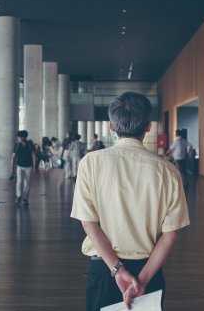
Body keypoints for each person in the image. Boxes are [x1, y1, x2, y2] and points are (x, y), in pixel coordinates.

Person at [71, 92, 190, 310]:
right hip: (149, 269)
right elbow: (171, 234)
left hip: (104, 268)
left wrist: (118, 270)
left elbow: (88, 223)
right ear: (148, 126)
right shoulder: (168, 171)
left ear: (111, 127)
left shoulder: (91, 163)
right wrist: (142, 279)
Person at [10, 130, 35, 206]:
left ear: (25, 137)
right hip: (19, 166)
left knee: (27, 183)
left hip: (28, 166)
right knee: (19, 182)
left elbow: (33, 155)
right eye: (19, 137)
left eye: (22, 137)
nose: (20, 138)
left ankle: (25, 199)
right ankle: (19, 196)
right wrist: (12, 168)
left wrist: (34, 166)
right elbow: (13, 157)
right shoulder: (17, 145)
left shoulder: (30, 144)